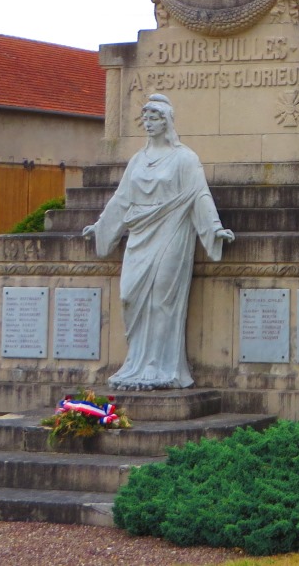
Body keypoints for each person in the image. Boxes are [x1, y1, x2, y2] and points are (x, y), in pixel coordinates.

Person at [83, 94, 234, 390]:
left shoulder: (185, 158)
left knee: (162, 298)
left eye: (154, 119)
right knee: (129, 295)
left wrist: (214, 229)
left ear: (166, 122)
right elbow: (122, 198)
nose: (148, 124)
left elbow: (199, 194)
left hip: (173, 229)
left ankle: (158, 365)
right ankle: (136, 362)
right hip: (140, 233)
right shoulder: (138, 160)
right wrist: (101, 227)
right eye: (146, 119)